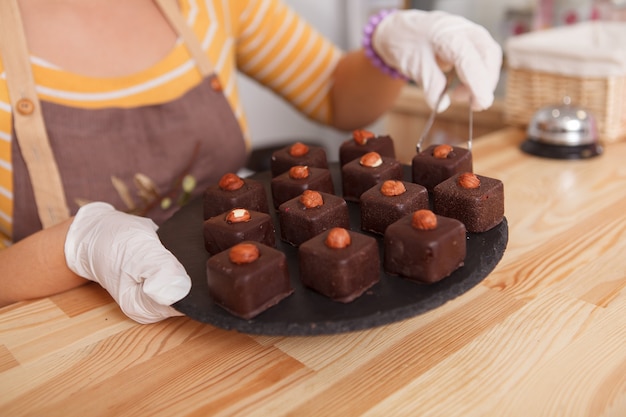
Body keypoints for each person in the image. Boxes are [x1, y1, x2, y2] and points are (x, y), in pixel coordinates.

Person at [0, 0, 502, 323]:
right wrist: (75, 247)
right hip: (70, 335)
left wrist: (385, 48)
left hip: (254, 324)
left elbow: (334, 95)